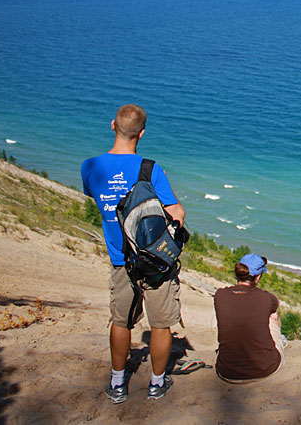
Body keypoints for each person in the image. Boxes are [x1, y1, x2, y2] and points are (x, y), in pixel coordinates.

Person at [81, 104, 186, 403]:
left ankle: (117, 384)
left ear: (112, 125)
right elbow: (176, 211)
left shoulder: (90, 167)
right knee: (160, 324)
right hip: (153, 263)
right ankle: (156, 383)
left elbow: (97, 197)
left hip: (120, 260)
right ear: (142, 133)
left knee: (121, 321)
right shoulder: (151, 169)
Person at [214, 253, 285, 383]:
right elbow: (276, 302)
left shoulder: (220, 295)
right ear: (257, 277)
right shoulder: (266, 298)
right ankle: (280, 341)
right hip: (265, 368)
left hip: (226, 372)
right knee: (272, 316)